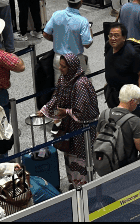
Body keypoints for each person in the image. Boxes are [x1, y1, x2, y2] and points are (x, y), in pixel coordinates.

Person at [38, 54, 99, 189]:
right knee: (70, 155)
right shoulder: (64, 79)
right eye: (60, 65)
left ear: (72, 67)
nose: (60, 69)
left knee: (81, 157)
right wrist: (45, 109)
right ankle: (74, 183)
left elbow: (83, 111)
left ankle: (85, 185)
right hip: (69, 128)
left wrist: (65, 112)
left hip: (82, 130)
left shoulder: (81, 84)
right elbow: (57, 96)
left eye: (63, 66)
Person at [96, 84, 140, 169]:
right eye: (137, 101)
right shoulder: (134, 120)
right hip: (125, 164)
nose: (137, 104)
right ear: (132, 101)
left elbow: (98, 135)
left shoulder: (104, 114)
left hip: (107, 160)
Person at [43, 0, 93, 82]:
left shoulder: (56, 15)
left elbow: (46, 34)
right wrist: (90, 30)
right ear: (81, 1)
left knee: (61, 90)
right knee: (83, 88)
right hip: (76, 59)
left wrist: (58, 39)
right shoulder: (82, 21)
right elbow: (87, 44)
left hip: (59, 59)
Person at [104, 23, 140, 109]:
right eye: (110, 35)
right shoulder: (108, 46)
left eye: (116, 36)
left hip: (128, 97)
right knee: (115, 117)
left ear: (123, 37)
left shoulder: (131, 53)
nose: (113, 38)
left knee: (130, 120)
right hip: (111, 92)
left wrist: (139, 95)